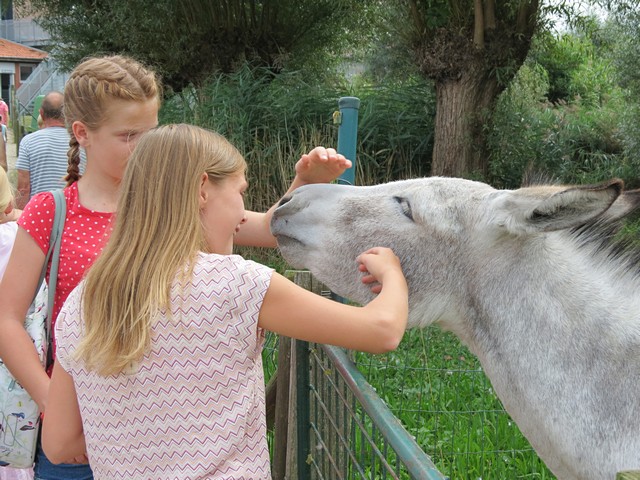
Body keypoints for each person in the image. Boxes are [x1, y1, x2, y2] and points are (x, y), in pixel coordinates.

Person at [0, 55, 352, 480]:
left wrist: (306, 183)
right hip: (82, 431)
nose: (145, 147)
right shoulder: (51, 211)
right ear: (82, 134)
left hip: (182, 437)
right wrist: (52, 403)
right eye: (129, 135)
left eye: (152, 132)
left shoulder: (176, 203)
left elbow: (261, 226)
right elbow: (6, 318)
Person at [41, 124, 408, 478]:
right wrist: (392, 274)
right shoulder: (235, 284)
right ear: (203, 189)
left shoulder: (83, 302)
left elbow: (58, 444)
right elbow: (382, 331)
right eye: (240, 192)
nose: (241, 215)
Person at [16, 91, 71, 209]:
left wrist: (20, 215)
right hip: (72, 211)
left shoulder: (28, 142)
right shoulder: (79, 142)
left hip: (39, 212)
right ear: (66, 113)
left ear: (41, 113)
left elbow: (23, 188)